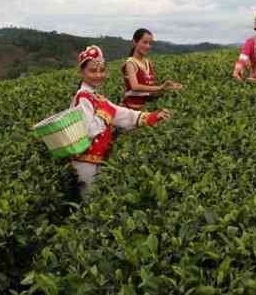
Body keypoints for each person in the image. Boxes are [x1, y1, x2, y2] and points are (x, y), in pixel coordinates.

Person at [71, 45, 172, 198]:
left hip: (98, 159)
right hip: (84, 162)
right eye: (93, 71)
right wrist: (105, 114)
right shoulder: (83, 97)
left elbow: (122, 115)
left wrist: (153, 116)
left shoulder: (96, 96)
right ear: (81, 73)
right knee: (89, 202)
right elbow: (88, 131)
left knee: (97, 199)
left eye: (101, 70)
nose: (98, 75)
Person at [122, 28, 183, 110]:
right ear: (134, 43)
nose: (148, 46)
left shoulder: (148, 63)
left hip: (147, 109)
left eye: (150, 43)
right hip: (132, 110)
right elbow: (135, 86)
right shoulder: (130, 63)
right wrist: (160, 87)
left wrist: (169, 88)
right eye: (145, 42)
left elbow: (150, 90)